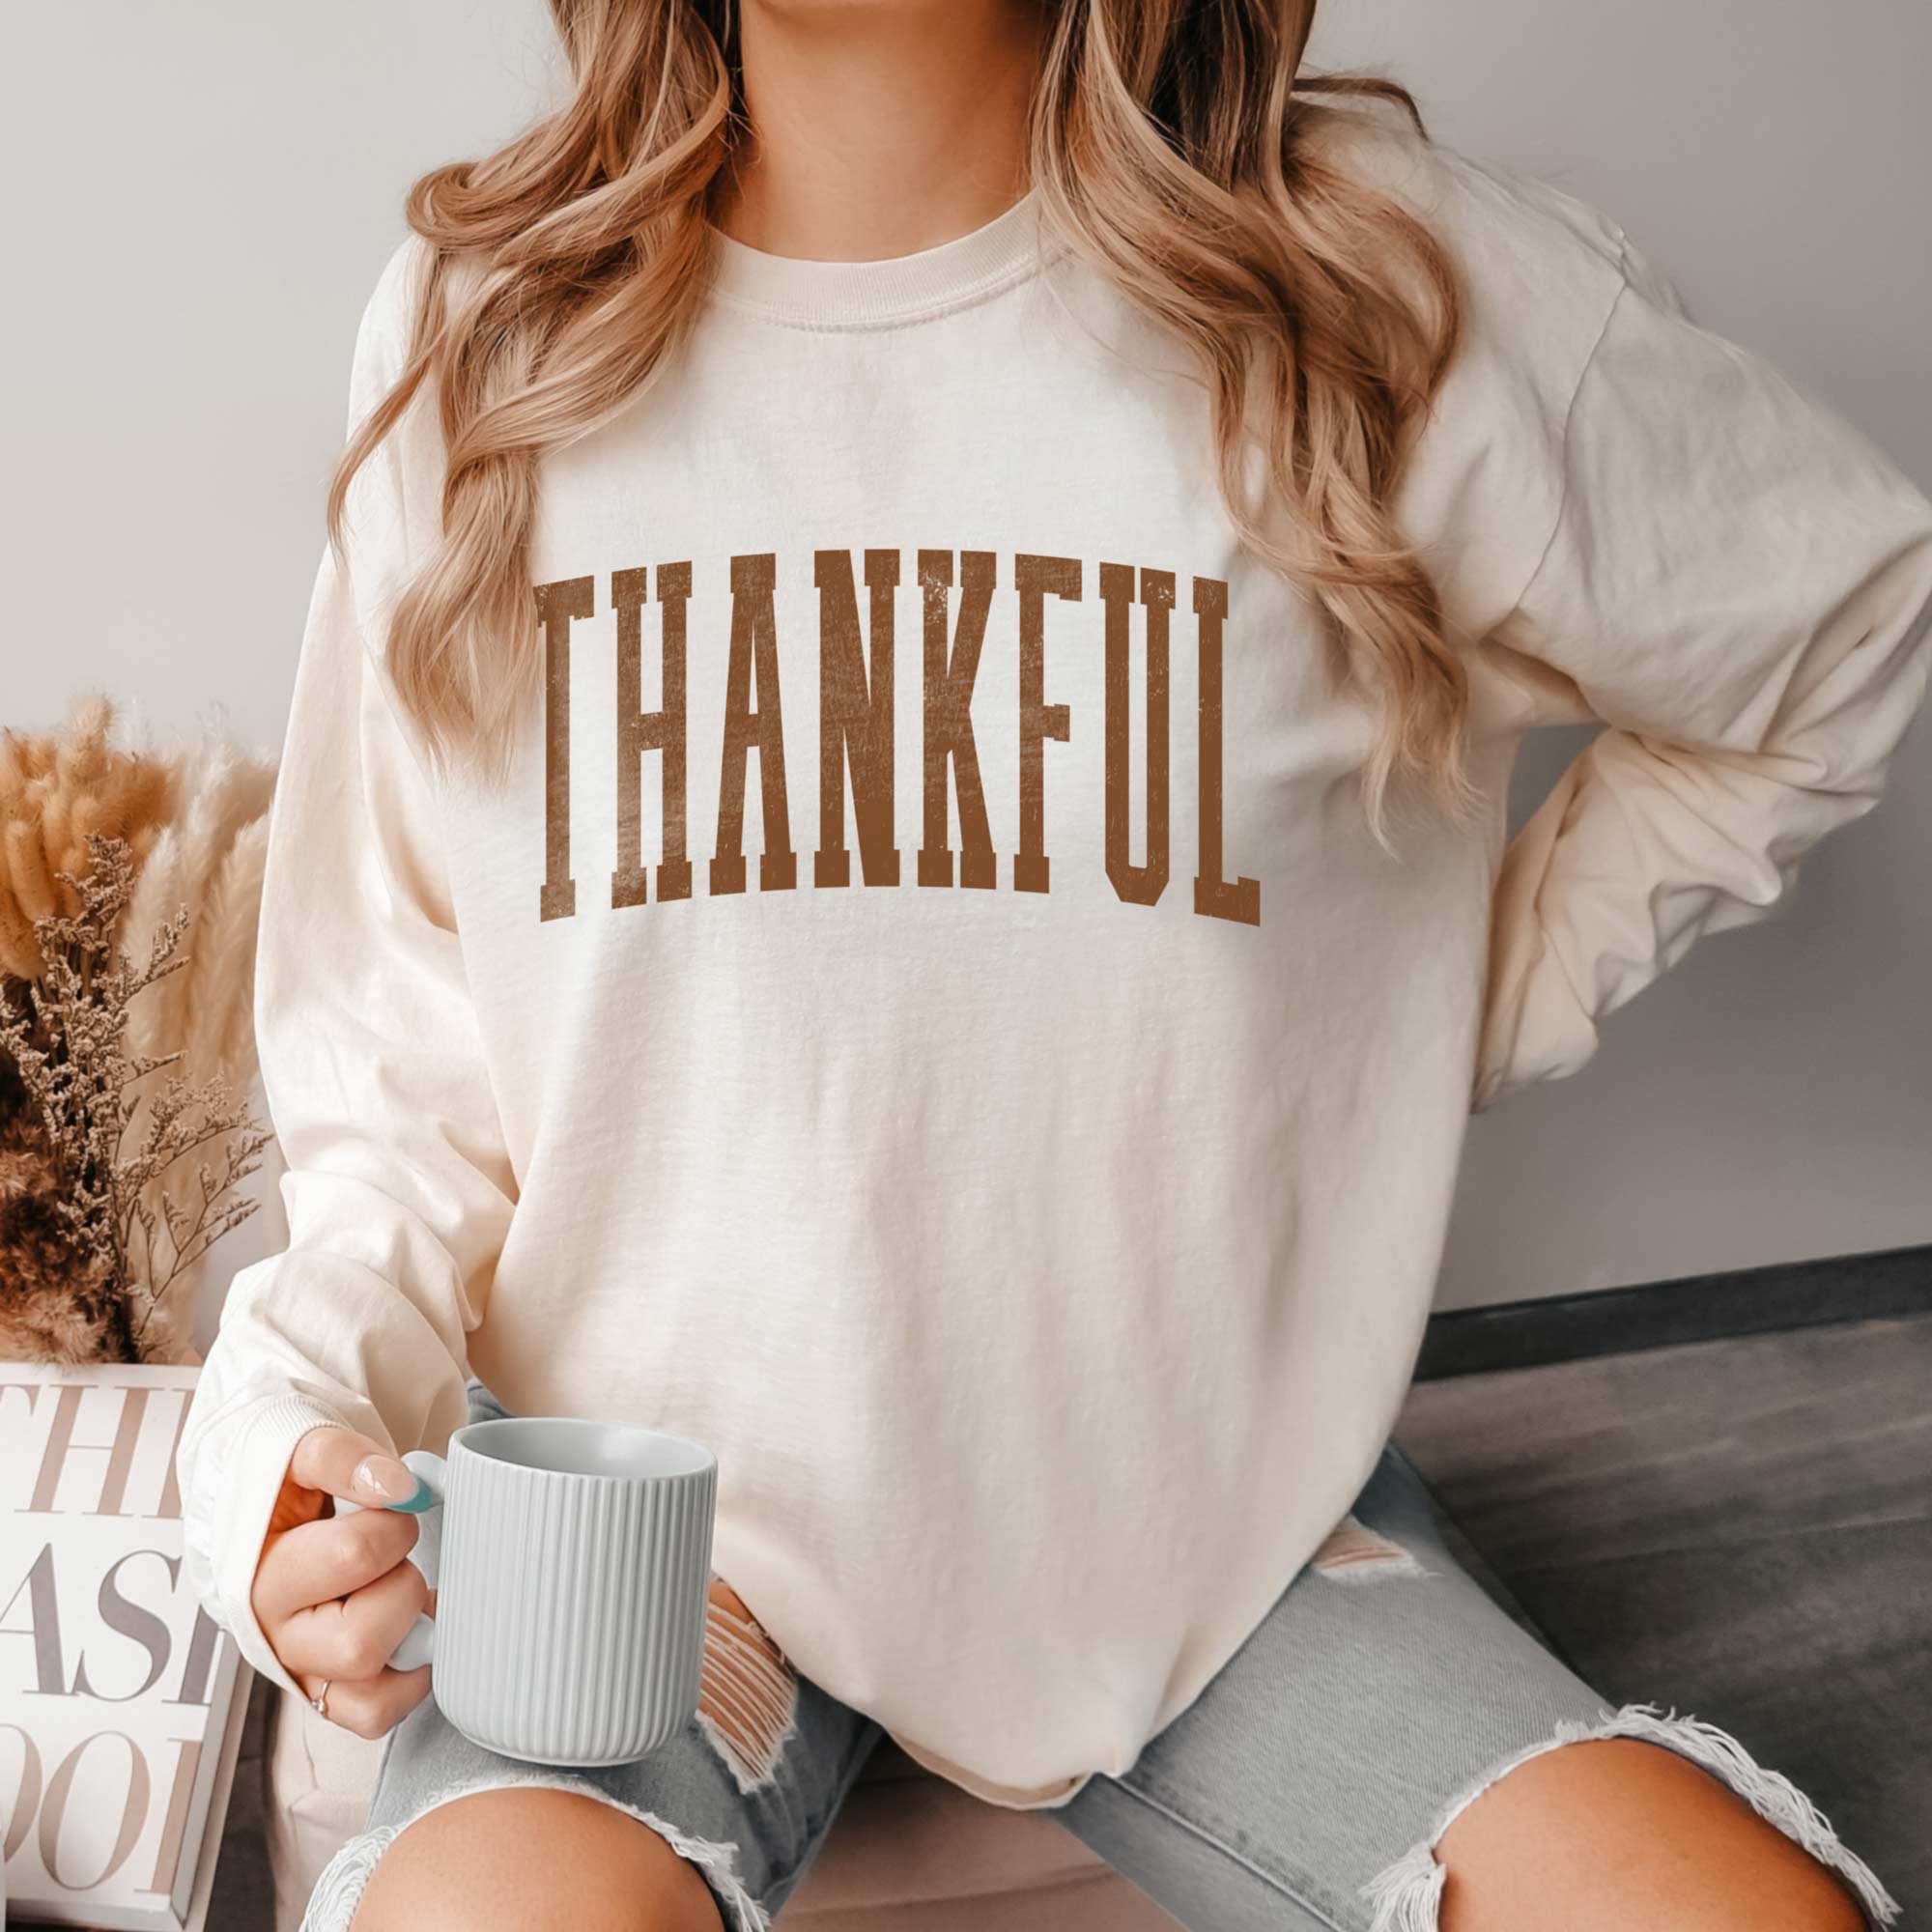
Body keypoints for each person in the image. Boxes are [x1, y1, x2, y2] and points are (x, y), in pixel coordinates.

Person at [177, 2, 1931, 1928]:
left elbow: (1844, 618)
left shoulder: (1372, 283)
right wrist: (275, 1455)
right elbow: (395, 1072)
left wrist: (1448, 1016)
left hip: (1218, 1545)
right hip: (659, 1555)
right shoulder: (488, 330)